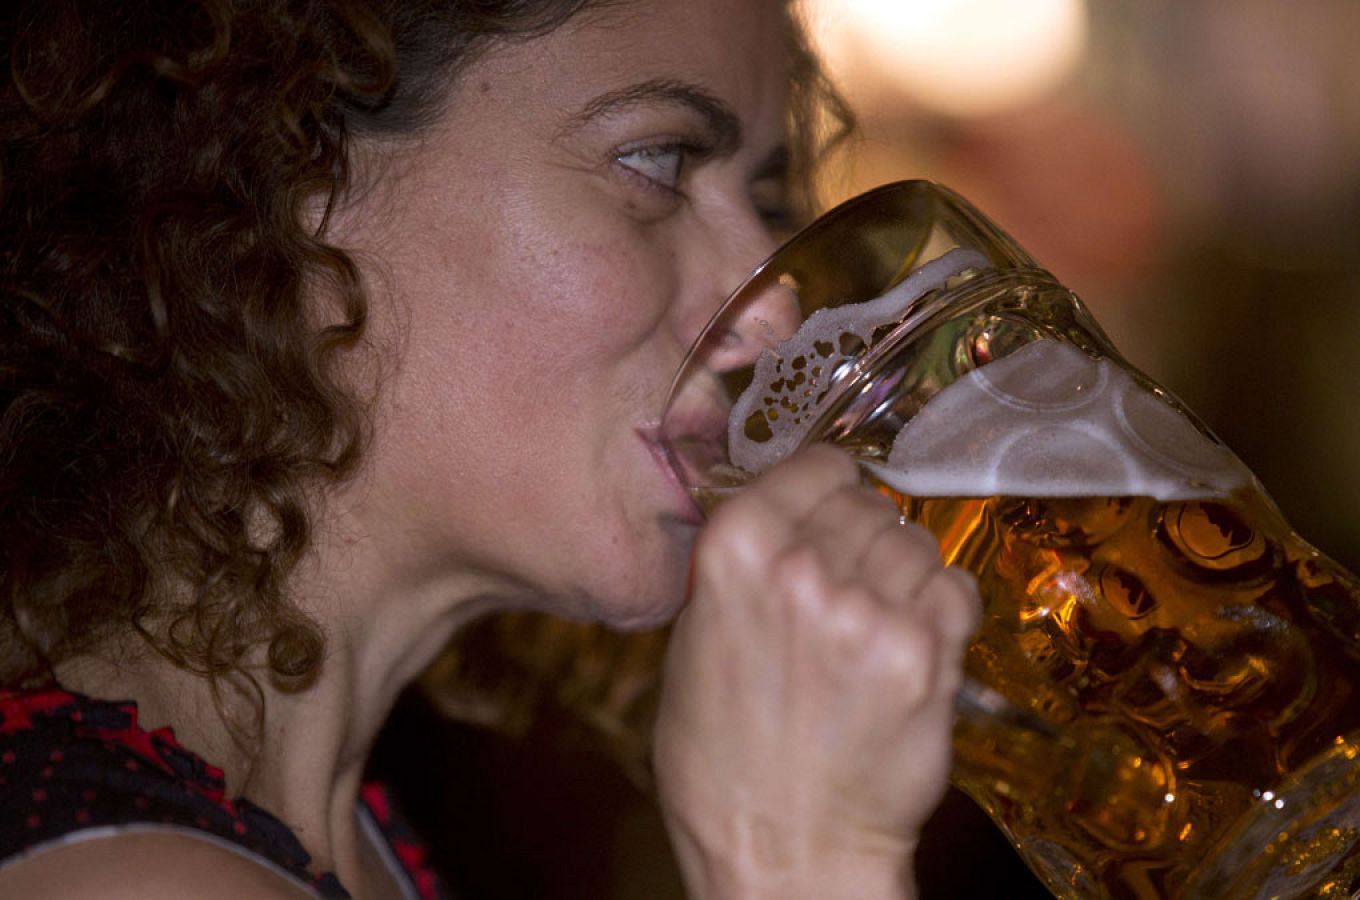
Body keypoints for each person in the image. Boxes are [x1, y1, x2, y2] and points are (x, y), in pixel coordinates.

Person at [0, 0, 980, 897]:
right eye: (657, 164)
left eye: (767, 201)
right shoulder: (125, 881)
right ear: (282, 173)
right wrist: (796, 859)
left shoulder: (319, 834)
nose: (775, 316)